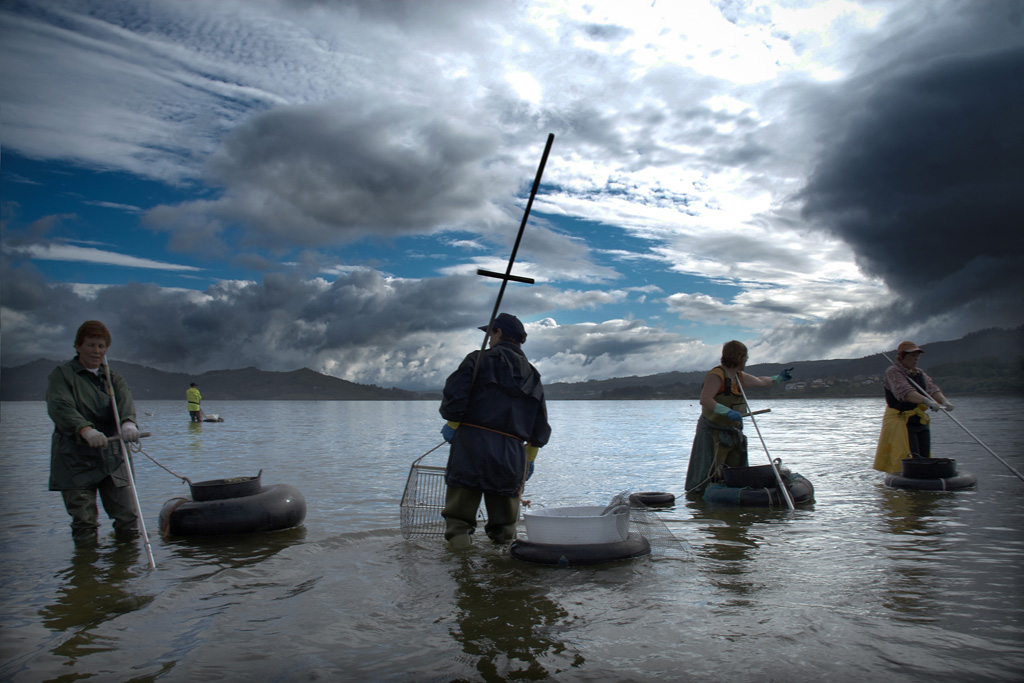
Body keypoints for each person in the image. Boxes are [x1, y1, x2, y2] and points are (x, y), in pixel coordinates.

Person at [439, 313, 551, 548]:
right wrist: (528, 460)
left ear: (499, 333)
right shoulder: (533, 375)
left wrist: (453, 426)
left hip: (470, 447)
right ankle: (505, 575)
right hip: (511, 456)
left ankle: (460, 573)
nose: (489, 339)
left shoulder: (477, 359)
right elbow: (540, 428)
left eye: (491, 333)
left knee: (458, 523)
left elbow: (453, 400)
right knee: (505, 530)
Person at [46, 320, 142, 544]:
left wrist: (129, 424)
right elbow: (60, 407)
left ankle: (125, 573)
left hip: (112, 456)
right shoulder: (62, 375)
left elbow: (125, 403)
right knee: (84, 521)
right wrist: (86, 430)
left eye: (101, 346)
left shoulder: (113, 378)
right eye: (91, 345)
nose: (96, 351)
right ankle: (86, 570)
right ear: (78, 346)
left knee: (128, 516)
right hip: (74, 460)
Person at [684, 340, 792, 494]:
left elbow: (760, 381)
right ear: (738, 356)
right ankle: (703, 498)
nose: (747, 360)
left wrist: (778, 378)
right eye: (745, 357)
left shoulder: (738, 376)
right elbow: (705, 399)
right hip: (713, 433)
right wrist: (727, 411)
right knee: (713, 470)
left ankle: (733, 499)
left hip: (733, 432)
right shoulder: (716, 375)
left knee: (735, 469)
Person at [873, 341, 954, 473]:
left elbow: (931, 388)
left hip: (918, 419)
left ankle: (924, 480)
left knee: (925, 453)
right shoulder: (893, 372)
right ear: (901, 357)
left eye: (917, 357)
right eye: (911, 357)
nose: (915, 360)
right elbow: (905, 392)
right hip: (900, 420)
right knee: (908, 454)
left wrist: (943, 401)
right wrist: (926, 401)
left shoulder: (919, 373)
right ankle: (905, 476)